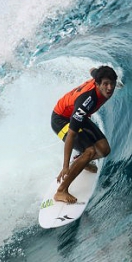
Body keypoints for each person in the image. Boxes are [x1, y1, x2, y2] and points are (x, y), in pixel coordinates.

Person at [51, 66, 118, 203]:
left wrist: (96, 71)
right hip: (61, 119)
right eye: (105, 84)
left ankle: (82, 161)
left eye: (112, 83)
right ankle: (61, 191)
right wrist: (65, 167)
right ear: (97, 84)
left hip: (78, 116)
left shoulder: (98, 78)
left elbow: (93, 71)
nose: (109, 88)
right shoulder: (87, 101)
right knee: (90, 151)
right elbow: (71, 135)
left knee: (104, 150)